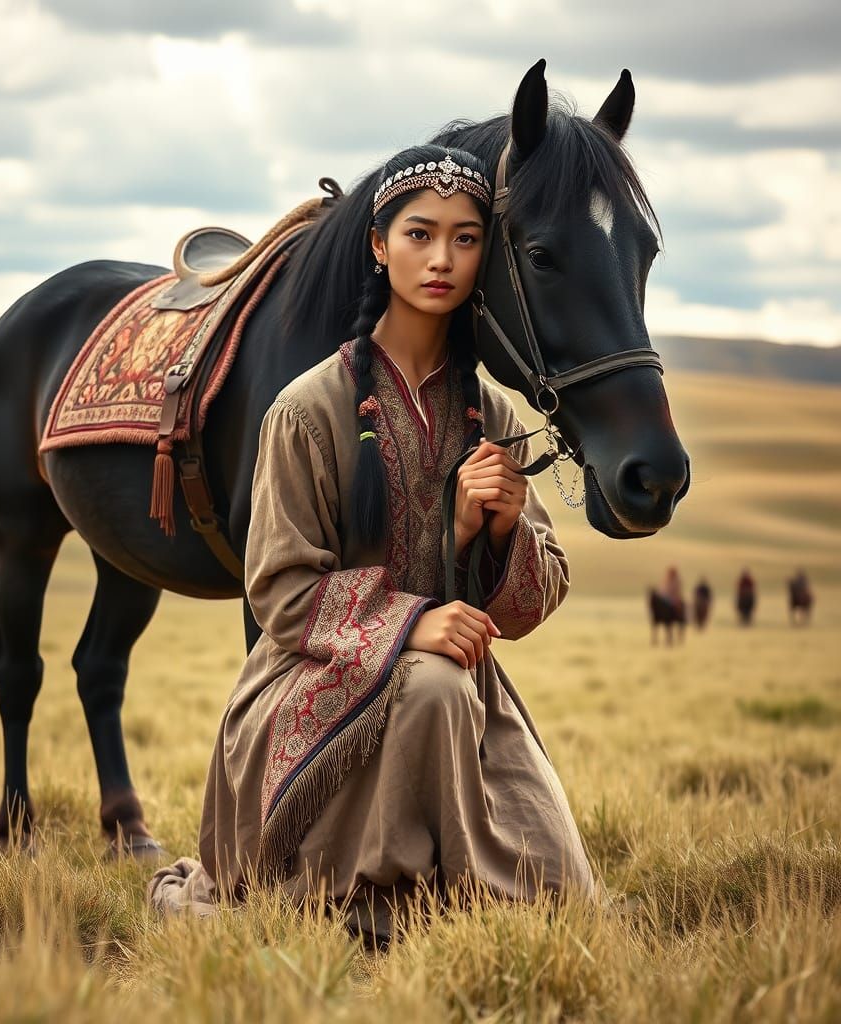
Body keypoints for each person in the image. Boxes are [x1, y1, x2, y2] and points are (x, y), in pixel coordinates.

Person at [147, 144, 597, 940]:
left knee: (559, 895)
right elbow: (281, 595)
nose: (442, 259)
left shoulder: (489, 415)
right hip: (311, 682)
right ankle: (377, 894)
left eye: (465, 239)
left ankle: (446, 891)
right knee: (431, 685)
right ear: (378, 245)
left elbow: (534, 597)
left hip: (459, 699)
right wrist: (413, 622)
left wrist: (495, 529)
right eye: (419, 235)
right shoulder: (306, 408)